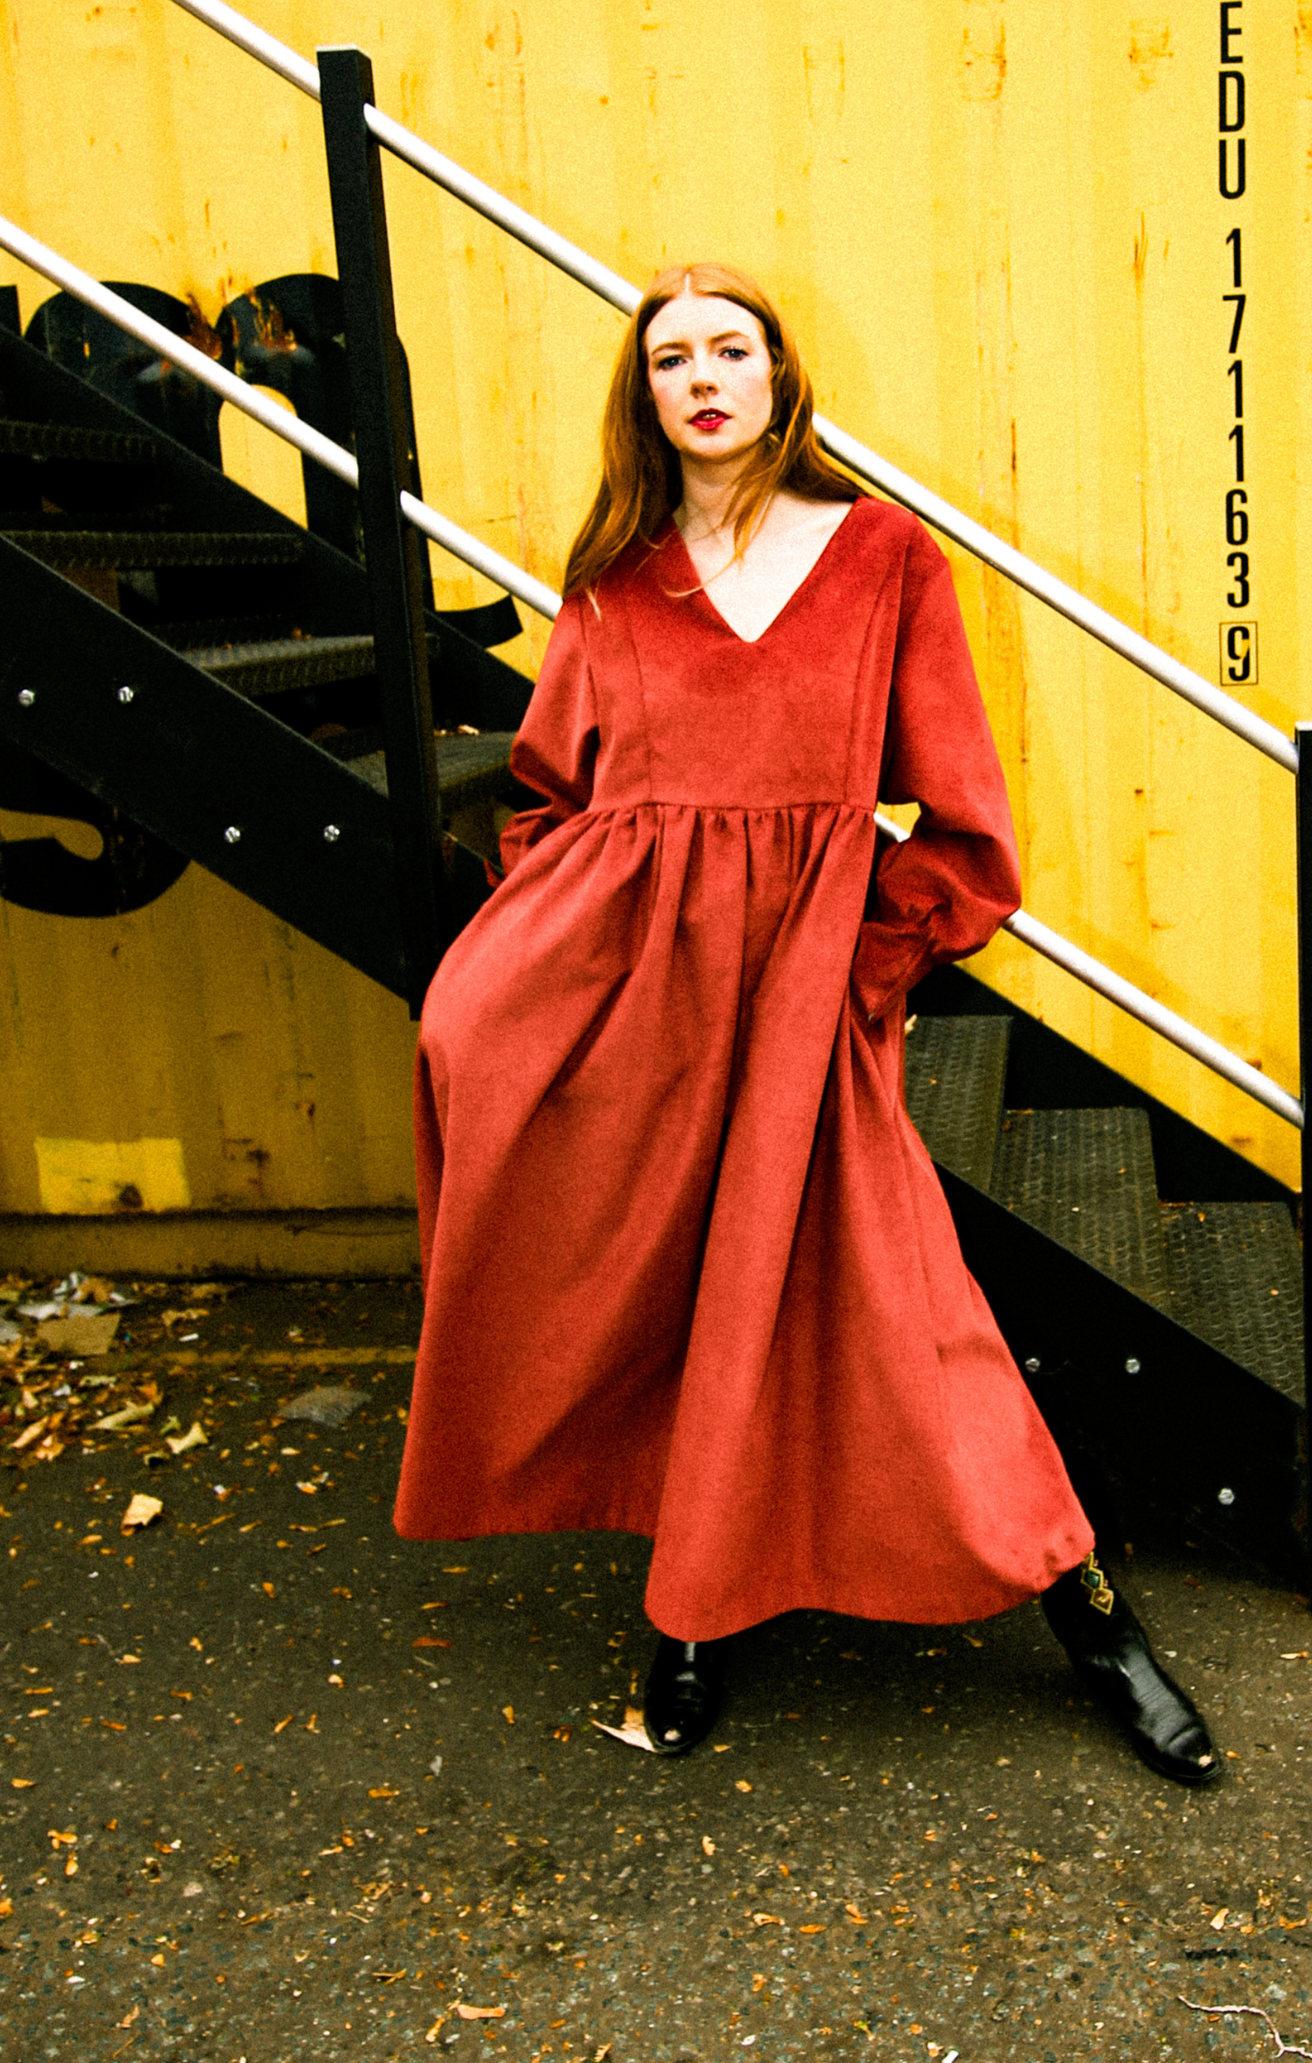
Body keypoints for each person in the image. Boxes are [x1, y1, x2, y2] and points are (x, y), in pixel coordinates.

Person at [398, 262, 1219, 1788]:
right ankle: (694, 1619)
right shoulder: (614, 574)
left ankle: (1089, 1611)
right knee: (667, 1289)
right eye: (670, 360)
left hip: (802, 1000)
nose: (702, 377)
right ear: (642, 397)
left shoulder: (881, 555)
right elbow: (550, 798)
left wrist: (857, 974)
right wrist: (551, 961)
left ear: (779, 376)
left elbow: (963, 829)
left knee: (906, 1309)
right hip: (633, 994)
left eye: (730, 349)